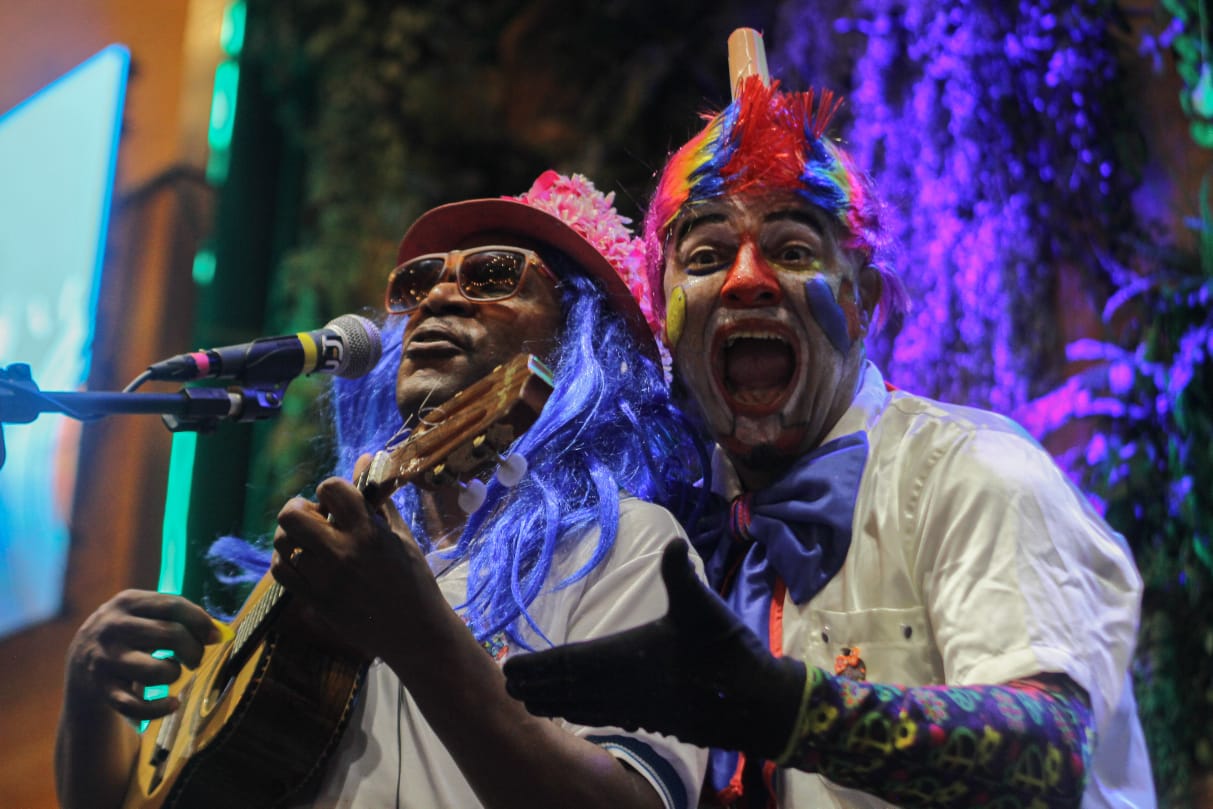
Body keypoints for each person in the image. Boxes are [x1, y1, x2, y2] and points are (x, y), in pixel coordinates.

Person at [504, 77, 1155, 809]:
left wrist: (794, 712)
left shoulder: (975, 472)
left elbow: (1049, 755)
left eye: (790, 249)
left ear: (864, 301)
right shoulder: (669, 531)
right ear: (666, 318)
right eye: (709, 255)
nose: (747, 280)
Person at [54, 170, 709, 809]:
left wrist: (418, 637)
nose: (436, 299)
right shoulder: (317, 590)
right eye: (419, 282)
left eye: (493, 274)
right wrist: (87, 693)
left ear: (576, 343)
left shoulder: (625, 544)